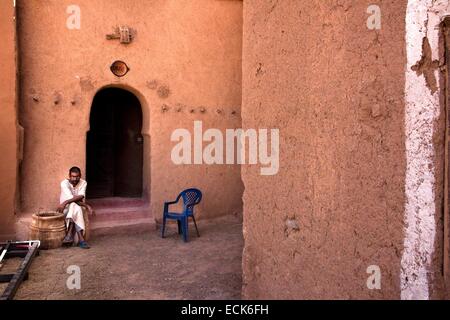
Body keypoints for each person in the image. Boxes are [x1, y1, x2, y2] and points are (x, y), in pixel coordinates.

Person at [56, 167, 94, 249]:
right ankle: (81, 240)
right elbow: (75, 198)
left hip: (72, 208)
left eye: (77, 176)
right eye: (73, 176)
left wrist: (66, 201)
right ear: (69, 176)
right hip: (65, 209)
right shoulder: (64, 183)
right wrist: (86, 205)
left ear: (80, 176)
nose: (75, 179)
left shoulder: (83, 182)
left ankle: (69, 235)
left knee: (74, 206)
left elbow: (80, 196)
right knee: (74, 205)